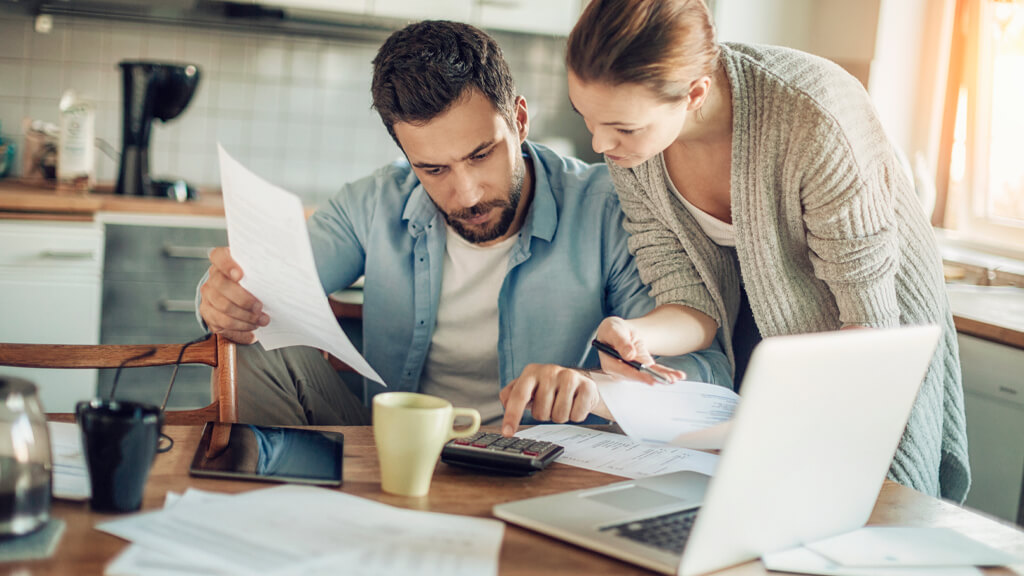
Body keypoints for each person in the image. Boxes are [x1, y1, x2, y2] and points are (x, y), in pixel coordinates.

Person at [196, 20, 732, 436]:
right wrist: (222, 297)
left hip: (541, 463)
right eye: (434, 169)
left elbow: (705, 376)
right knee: (250, 338)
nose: (468, 193)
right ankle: (277, 517)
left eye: (482, 154)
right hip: (390, 448)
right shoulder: (373, 202)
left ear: (519, 121)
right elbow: (265, 285)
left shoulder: (609, 209)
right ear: (406, 155)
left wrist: (598, 389)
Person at [564, 0, 969, 502]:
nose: (601, 145)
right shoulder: (635, 153)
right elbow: (690, 299)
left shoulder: (813, 113)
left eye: (623, 128)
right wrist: (636, 334)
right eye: (587, 117)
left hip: (868, 333)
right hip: (763, 330)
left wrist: (785, 412)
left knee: (862, 505)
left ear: (694, 93)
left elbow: (870, 325)